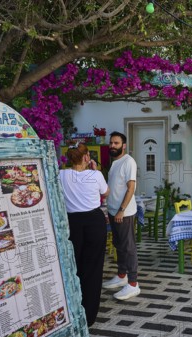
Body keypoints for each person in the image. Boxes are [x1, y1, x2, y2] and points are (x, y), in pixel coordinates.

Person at [59, 142, 109, 326]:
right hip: (94, 222)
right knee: (93, 268)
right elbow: (106, 192)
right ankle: (88, 316)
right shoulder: (95, 175)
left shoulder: (61, 174)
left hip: (72, 223)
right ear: (87, 157)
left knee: (74, 266)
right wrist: (95, 170)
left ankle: (72, 308)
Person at [102, 131, 140, 300]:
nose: (112, 146)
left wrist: (121, 209)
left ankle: (133, 284)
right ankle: (122, 275)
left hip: (123, 212)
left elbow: (131, 187)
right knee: (118, 245)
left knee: (128, 247)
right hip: (112, 210)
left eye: (116, 143)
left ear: (123, 145)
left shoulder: (128, 161)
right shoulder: (114, 162)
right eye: (111, 143)